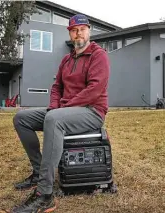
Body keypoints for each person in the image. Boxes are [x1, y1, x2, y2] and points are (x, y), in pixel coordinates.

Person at [11, 14, 110, 213]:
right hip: (64, 110)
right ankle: (39, 172)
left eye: (82, 29)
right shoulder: (66, 59)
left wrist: (61, 109)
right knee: (21, 118)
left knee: (54, 119)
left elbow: (95, 89)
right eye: (74, 30)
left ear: (89, 31)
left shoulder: (98, 55)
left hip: (91, 111)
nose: (78, 33)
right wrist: (54, 106)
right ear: (70, 34)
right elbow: (57, 87)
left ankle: (45, 194)